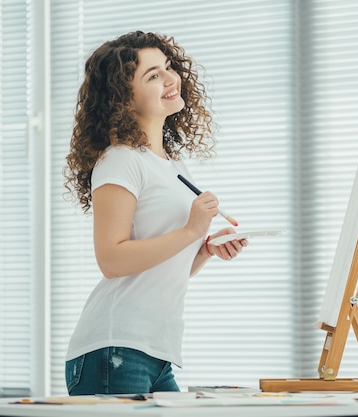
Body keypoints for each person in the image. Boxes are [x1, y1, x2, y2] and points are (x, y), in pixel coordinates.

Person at [63, 31, 247, 395]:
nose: (170, 78)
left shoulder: (172, 166)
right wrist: (191, 232)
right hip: (115, 349)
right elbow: (112, 259)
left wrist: (205, 250)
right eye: (152, 75)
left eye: (167, 67)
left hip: (155, 352)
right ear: (122, 98)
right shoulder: (120, 160)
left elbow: (163, 269)